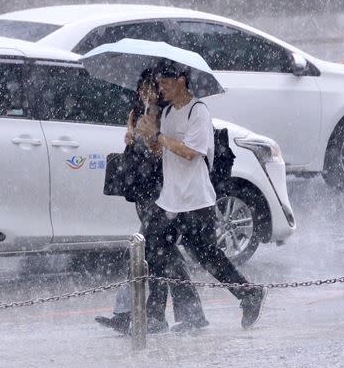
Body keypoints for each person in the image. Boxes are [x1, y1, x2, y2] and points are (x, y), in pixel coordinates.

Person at [132, 60, 266, 333]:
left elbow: (191, 152)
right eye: (158, 84)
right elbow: (162, 153)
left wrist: (159, 135)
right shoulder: (167, 113)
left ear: (182, 80)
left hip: (195, 201)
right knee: (155, 252)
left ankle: (248, 293)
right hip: (169, 199)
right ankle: (156, 315)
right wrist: (148, 135)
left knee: (210, 258)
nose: (161, 88)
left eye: (166, 83)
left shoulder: (198, 112)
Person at [95, 69, 208, 334]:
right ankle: (186, 314)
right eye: (142, 88)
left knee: (146, 252)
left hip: (162, 193)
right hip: (142, 193)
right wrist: (132, 135)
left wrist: (152, 136)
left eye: (151, 88)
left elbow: (165, 155)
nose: (145, 93)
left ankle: (133, 313)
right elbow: (134, 147)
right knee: (163, 255)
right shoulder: (137, 113)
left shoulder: (167, 117)